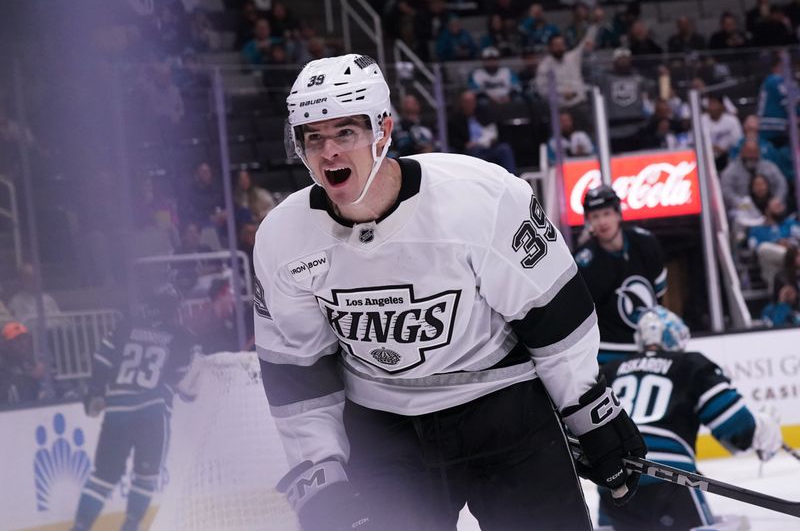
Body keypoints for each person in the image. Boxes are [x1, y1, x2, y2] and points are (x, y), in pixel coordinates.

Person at [255, 53, 646, 531]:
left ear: (383, 130)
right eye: (312, 137)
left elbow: (555, 315)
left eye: (345, 132)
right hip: (385, 432)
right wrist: (319, 470)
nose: (328, 151)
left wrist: (589, 410)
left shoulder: (481, 197)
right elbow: (298, 369)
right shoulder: (282, 239)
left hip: (504, 412)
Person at [600, 306, 783, 531]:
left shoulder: (609, 371)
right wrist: (764, 430)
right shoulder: (689, 365)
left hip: (615, 482)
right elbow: (737, 428)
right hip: (670, 478)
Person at [71, 284, 200, 531]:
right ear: (174, 309)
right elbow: (183, 382)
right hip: (152, 413)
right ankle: (130, 527)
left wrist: (95, 393)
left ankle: (79, 527)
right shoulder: (182, 337)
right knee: (146, 476)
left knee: (102, 477)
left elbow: (102, 359)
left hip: (117, 410)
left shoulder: (125, 327)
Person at [574, 185, 667, 365]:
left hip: (649, 346)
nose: (602, 222)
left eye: (607, 213)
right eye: (595, 216)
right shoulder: (583, 262)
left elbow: (659, 292)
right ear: (588, 222)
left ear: (618, 214)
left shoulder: (646, 243)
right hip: (608, 352)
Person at [0, 322, 45, 405]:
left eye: (25, 339)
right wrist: (32, 378)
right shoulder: (2, 365)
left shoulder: (28, 362)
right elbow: (9, 394)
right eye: (17, 340)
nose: (23, 344)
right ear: (6, 345)